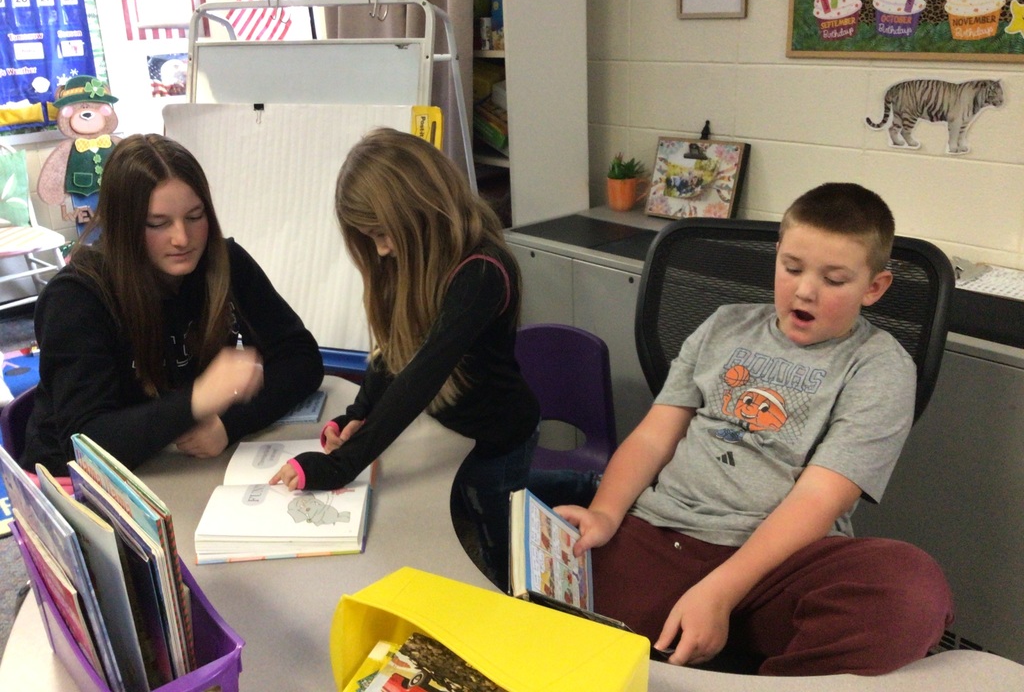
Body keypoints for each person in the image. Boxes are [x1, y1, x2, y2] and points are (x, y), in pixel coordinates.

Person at [557, 183, 954, 677]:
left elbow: (819, 498)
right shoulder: (724, 325)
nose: (805, 290)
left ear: (873, 288)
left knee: (911, 591)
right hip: (666, 534)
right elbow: (654, 436)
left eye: (834, 280)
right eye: (791, 268)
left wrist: (719, 592)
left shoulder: (880, 366)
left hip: (783, 562)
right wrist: (606, 513)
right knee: (558, 608)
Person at [270, 127, 539, 588]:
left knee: (499, 561)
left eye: (382, 234)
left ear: (421, 211)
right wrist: (358, 412)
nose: (381, 250)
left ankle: (575, 492)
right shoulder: (416, 258)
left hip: (498, 441)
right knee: (459, 521)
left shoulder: (481, 274)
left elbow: (422, 375)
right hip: (452, 439)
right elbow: (392, 351)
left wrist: (338, 465)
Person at [20, 134, 324, 475]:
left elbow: (302, 358)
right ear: (124, 226)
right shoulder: (77, 298)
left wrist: (229, 423)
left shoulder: (223, 262)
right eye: (158, 223)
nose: (182, 238)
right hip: (73, 488)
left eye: (195, 217)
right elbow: (85, 444)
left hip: (170, 468)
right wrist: (196, 400)